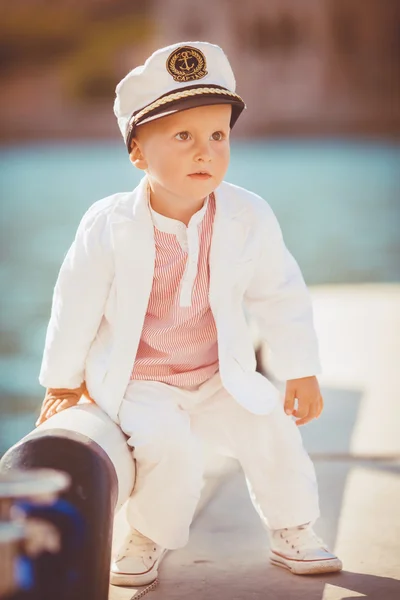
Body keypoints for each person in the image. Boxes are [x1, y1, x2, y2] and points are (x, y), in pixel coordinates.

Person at [36, 41, 342, 587]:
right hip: (141, 379)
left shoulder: (248, 214)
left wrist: (300, 368)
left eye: (218, 136)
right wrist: (63, 381)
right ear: (137, 152)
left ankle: (293, 526)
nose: (206, 152)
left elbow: (280, 292)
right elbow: (74, 301)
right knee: (166, 448)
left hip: (217, 372)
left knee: (271, 426)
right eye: (184, 137)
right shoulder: (108, 225)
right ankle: (147, 535)